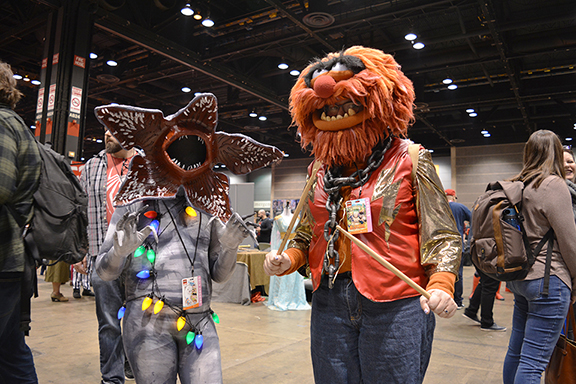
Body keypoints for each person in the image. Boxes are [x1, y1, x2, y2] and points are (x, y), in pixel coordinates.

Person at [264, 46, 461, 384]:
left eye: (345, 104)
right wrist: (290, 258)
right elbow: (307, 230)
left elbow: (442, 235)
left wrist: (442, 282)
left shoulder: (410, 159)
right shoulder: (319, 169)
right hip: (329, 299)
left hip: (396, 302)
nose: (336, 110)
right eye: (328, 107)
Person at [94, 93, 282, 384]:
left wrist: (230, 248)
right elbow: (104, 271)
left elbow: (219, 275)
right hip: (148, 322)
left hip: (200, 320)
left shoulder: (205, 206)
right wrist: (119, 253)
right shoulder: (135, 202)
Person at [502, 130, 576, 383]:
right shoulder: (554, 185)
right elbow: (569, 241)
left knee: (517, 352)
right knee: (533, 363)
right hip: (548, 281)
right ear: (556, 152)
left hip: (520, 278)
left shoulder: (518, 184)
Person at [75, 128, 136, 382]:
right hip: (101, 256)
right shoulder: (92, 166)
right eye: (104, 130)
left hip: (140, 258)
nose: (106, 135)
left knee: (138, 320)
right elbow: (78, 208)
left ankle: (132, 362)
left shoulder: (145, 164)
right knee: (109, 322)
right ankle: (112, 377)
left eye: (113, 131)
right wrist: (79, 251)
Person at [0, 60, 42, 383]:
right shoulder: (18, 125)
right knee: (11, 350)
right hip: (13, 260)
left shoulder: (1, 124)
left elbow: (1, 186)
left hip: (3, 258)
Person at [266, 202, 311, 311]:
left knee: (296, 276)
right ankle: (281, 298)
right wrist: (275, 251)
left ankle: (295, 298)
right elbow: (274, 237)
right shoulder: (278, 218)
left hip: (297, 245)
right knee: (282, 275)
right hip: (283, 246)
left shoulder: (298, 217)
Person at [445, 189, 471, 309]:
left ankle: (444, 298)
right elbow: (473, 219)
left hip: (441, 246)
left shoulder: (439, 207)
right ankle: (457, 301)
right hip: (457, 245)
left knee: (442, 273)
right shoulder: (460, 207)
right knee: (458, 274)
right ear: (454, 197)